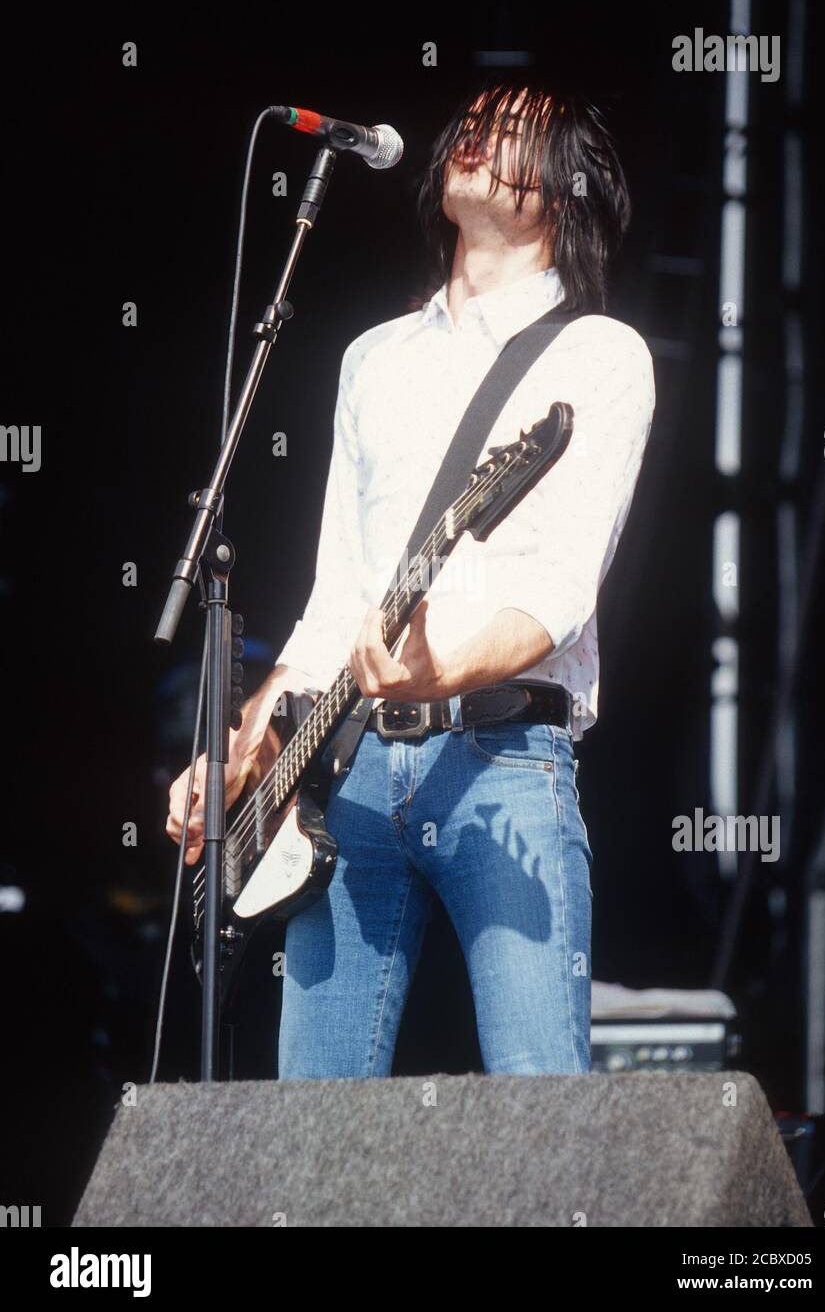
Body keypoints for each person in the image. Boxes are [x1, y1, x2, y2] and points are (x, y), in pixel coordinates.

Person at [167, 76, 655, 1078]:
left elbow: (560, 592)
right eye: (472, 123)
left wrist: (437, 671)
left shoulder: (601, 355)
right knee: (315, 1128)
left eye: (515, 131)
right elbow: (335, 594)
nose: (478, 135)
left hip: (503, 762)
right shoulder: (373, 357)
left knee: (540, 1104)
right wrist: (247, 756)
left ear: (566, 188)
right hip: (342, 774)